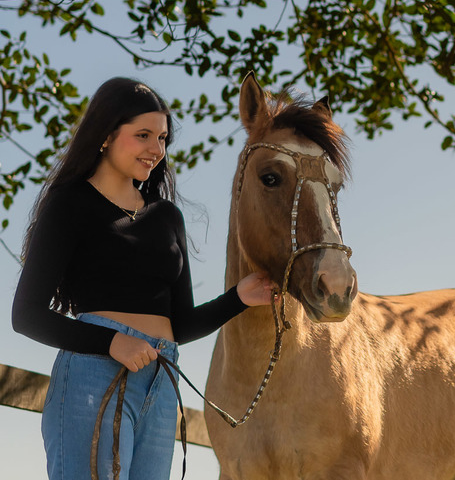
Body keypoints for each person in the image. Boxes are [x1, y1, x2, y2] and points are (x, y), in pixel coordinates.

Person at [11, 77, 275, 480]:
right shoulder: (71, 203)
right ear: (105, 135)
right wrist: (112, 341)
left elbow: (180, 324)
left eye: (163, 138)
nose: (157, 149)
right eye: (143, 135)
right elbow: (26, 315)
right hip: (92, 376)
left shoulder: (166, 216)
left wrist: (239, 297)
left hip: (163, 378)